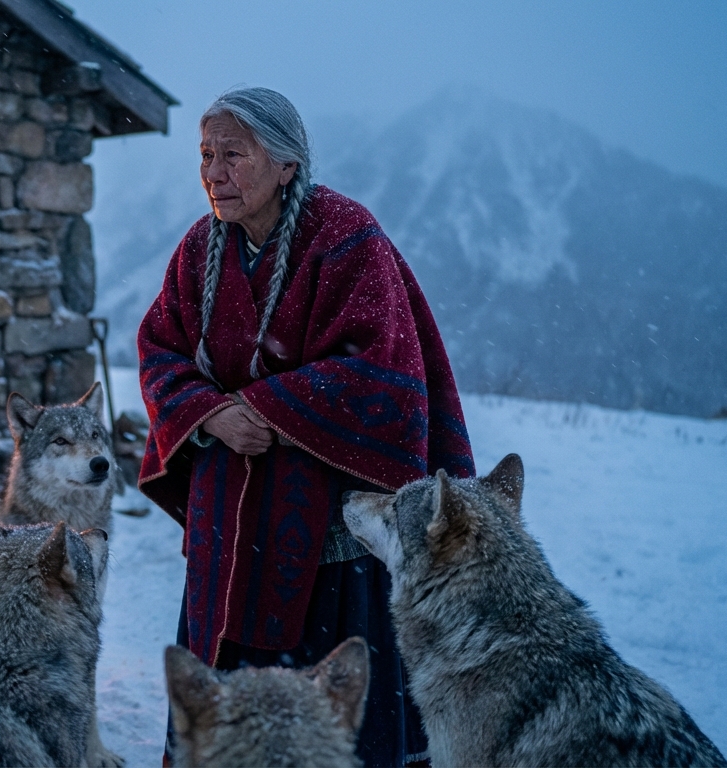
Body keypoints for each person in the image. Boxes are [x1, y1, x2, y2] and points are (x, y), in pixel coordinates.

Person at [137, 87, 476, 767]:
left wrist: (261, 409)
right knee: (222, 704)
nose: (213, 172)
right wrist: (216, 417)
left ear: (287, 164)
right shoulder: (201, 247)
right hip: (226, 518)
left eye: (233, 154)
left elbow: (379, 368)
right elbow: (160, 350)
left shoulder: (347, 237)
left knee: (339, 704)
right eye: (205, 155)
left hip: (325, 526)